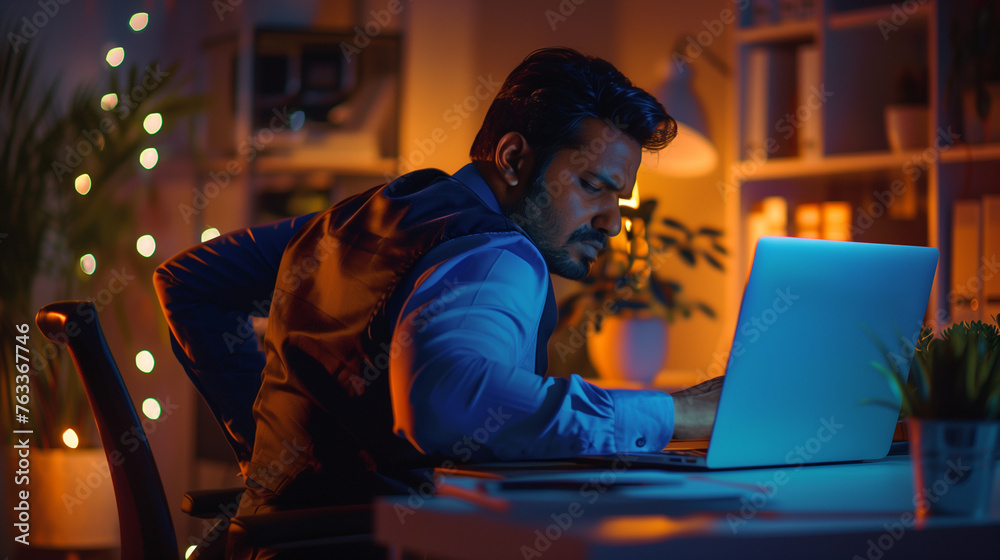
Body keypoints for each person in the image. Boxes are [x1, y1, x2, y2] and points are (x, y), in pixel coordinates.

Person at [156, 46, 721, 557]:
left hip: (267, 540)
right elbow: (449, 404)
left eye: (620, 197)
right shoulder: (499, 255)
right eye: (593, 186)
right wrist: (677, 413)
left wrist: (265, 461)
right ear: (514, 159)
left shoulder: (368, 211)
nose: (612, 224)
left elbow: (191, 284)